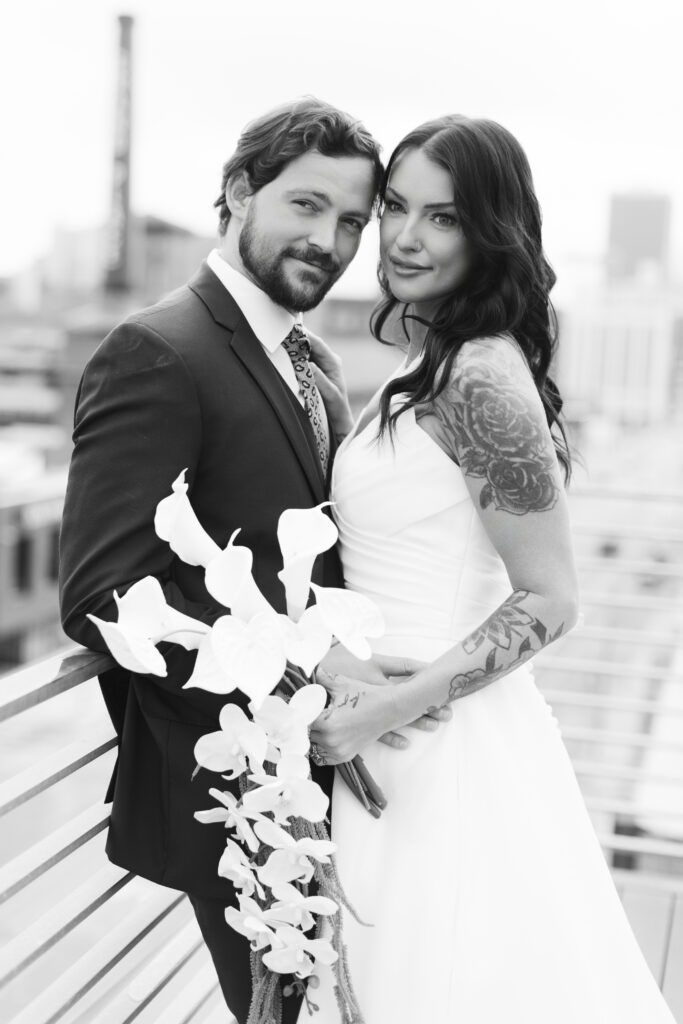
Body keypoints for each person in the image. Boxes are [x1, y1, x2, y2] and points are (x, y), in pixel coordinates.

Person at [58, 98, 449, 1024]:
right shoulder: (157, 350)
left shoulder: (308, 360)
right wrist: (308, 668)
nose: (332, 238)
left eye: (353, 220)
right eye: (306, 205)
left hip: (329, 770)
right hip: (234, 789)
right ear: (239, 192)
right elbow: (104, 592)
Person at [303, 116, 677, 1022]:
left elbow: (551, 599)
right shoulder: (423, 365)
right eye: (395, 207)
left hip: (438, 745)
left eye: (443, 218)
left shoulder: (478, 376)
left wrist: (389, 708)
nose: (403, 237)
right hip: (390, 736)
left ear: (491, 232)